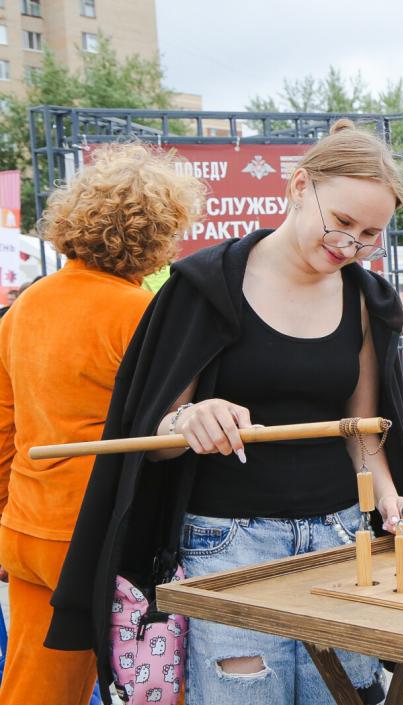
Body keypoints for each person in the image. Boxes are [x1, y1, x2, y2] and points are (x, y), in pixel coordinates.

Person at [47, 120, 403, 705]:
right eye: (341, 222)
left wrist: (392, 497)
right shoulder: (204, 285)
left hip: (340, 538)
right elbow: (154, 438)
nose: (349, 245)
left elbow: (364, 431)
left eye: (370, 234)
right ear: (299, 186)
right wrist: (190, 420)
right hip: (228, 547)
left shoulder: (363, 298)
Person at [0, 145, 202, 705]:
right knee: (153, 678)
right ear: (157, 236)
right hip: (98, 537)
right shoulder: (138, 314)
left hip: (27, 527)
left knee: (34, 686)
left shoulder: (26, 305)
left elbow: (3, 426)